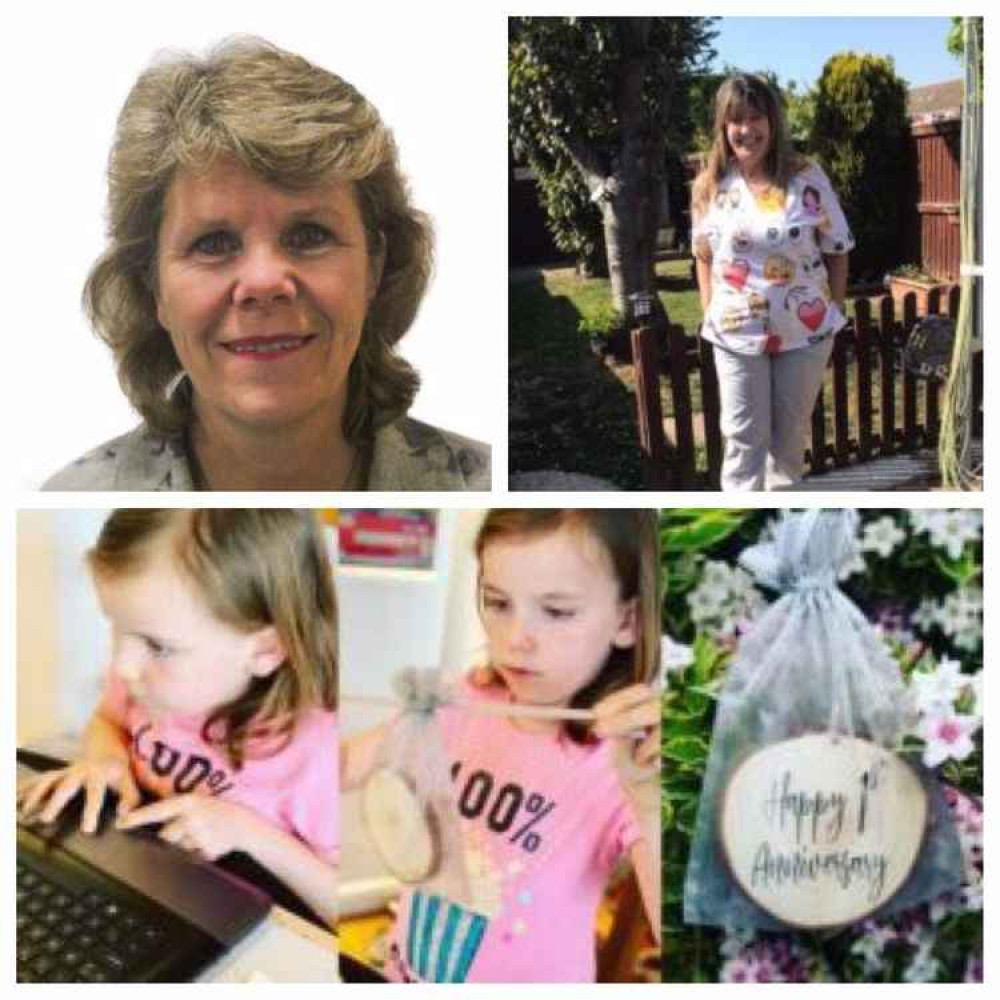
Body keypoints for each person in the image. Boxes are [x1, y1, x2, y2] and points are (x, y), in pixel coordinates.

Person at [42, 37, 490, 491]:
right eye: (214, 243)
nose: (263, 281)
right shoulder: (71, 500)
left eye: (310, 236)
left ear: (376, 267)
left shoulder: (485, 488)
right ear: (153, 286)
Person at [343, 509, 661, 982]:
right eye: (497, 602)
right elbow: (349, 764)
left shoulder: (623, 763)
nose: (515, 640)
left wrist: (650, 803)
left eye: (556, 611)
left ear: (628, 620)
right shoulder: (462, 701)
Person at [17, 509, 339, 927]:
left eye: (158, 645)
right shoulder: (144, 680)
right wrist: (105, 758)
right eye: (117, 627)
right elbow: (106, 722)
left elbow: (340, 907)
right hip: (139, 888)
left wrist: (248, 833)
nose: (123, 665)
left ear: (265, 650)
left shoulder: (317, 754)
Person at [691, 74, 854, 491]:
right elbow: (703, 256)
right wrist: (710, 310)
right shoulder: (710, 185)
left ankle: (778, 532)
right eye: (736, 120)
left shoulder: (807, 176)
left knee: (787, 448)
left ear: (773, 121)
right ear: (724, 128)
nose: (747, 129)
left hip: (805, 333)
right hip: (736, 335)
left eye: (756, 117)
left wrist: (833, 307)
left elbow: (837, 248)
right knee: (744, 445)